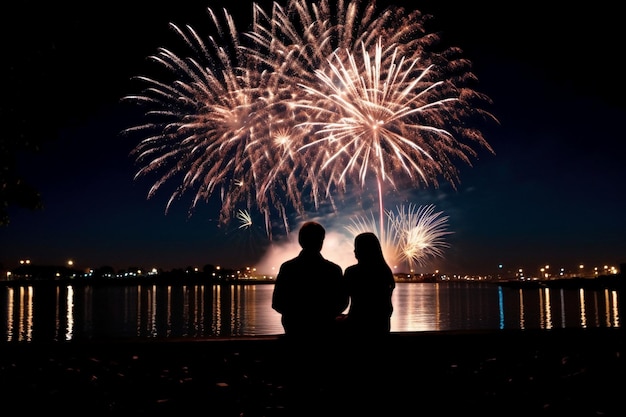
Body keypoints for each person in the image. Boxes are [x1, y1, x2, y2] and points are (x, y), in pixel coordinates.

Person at [271, 221, 349, 337]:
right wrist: (326, 315)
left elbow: (277, 303)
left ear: (300, 241)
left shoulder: (288, 268)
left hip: (295, 330)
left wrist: (295, 315)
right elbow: (342, 302)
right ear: (321, 242)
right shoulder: (333, 270)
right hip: (325, 329)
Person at [342, 232, 395, 336]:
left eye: (356, 247)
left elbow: (344, 301)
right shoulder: (385, 272)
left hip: (357, 325)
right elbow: (387, 308)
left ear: (362, 250)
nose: (354, 251)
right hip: (381, 327)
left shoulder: (352, 272)